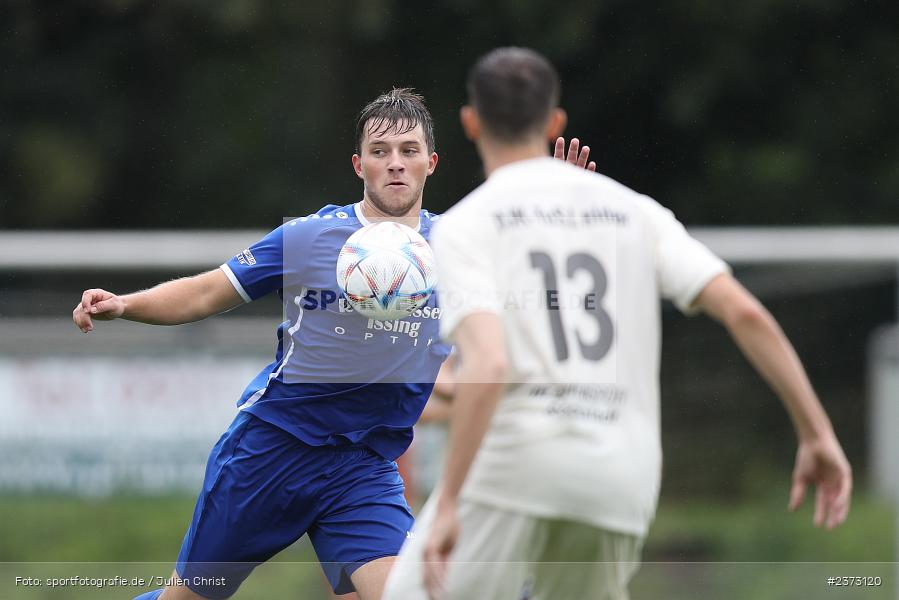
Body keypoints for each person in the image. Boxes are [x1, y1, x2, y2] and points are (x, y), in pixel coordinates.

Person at [72, 88, 594, 600]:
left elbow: (539, 292)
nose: (395, 163)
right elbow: (207, 291)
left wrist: (558, 226)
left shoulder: (459, 248)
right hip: (271, 453)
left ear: (430, 163)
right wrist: (125, 304)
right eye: (380, 151)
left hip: (363, 468)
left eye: (409, 151)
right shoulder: (308, 237)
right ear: (358, 164)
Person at [382, 48, 853, 600]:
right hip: (619, 477)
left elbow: (489, 361)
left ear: (470, 122)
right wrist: (816, 432)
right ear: (554, 122)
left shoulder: (466, 225)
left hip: (517, 466)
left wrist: (450, 501)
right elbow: (744, 311)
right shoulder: (635, 211)